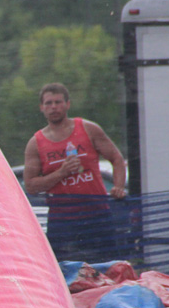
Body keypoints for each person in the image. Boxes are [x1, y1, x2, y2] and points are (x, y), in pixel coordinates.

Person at [22, 83, 128, 263]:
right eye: (48, 103)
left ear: (67, 104)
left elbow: (117, 159)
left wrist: (118, 187)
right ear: (42, 107)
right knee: (66, 271)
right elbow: (31, 186)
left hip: (96, 214)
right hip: (63, 220)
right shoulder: (36, 143)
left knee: (108, 268)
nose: (54, 107)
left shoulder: (88, 129)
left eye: (58, 102)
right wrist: (61, 173)